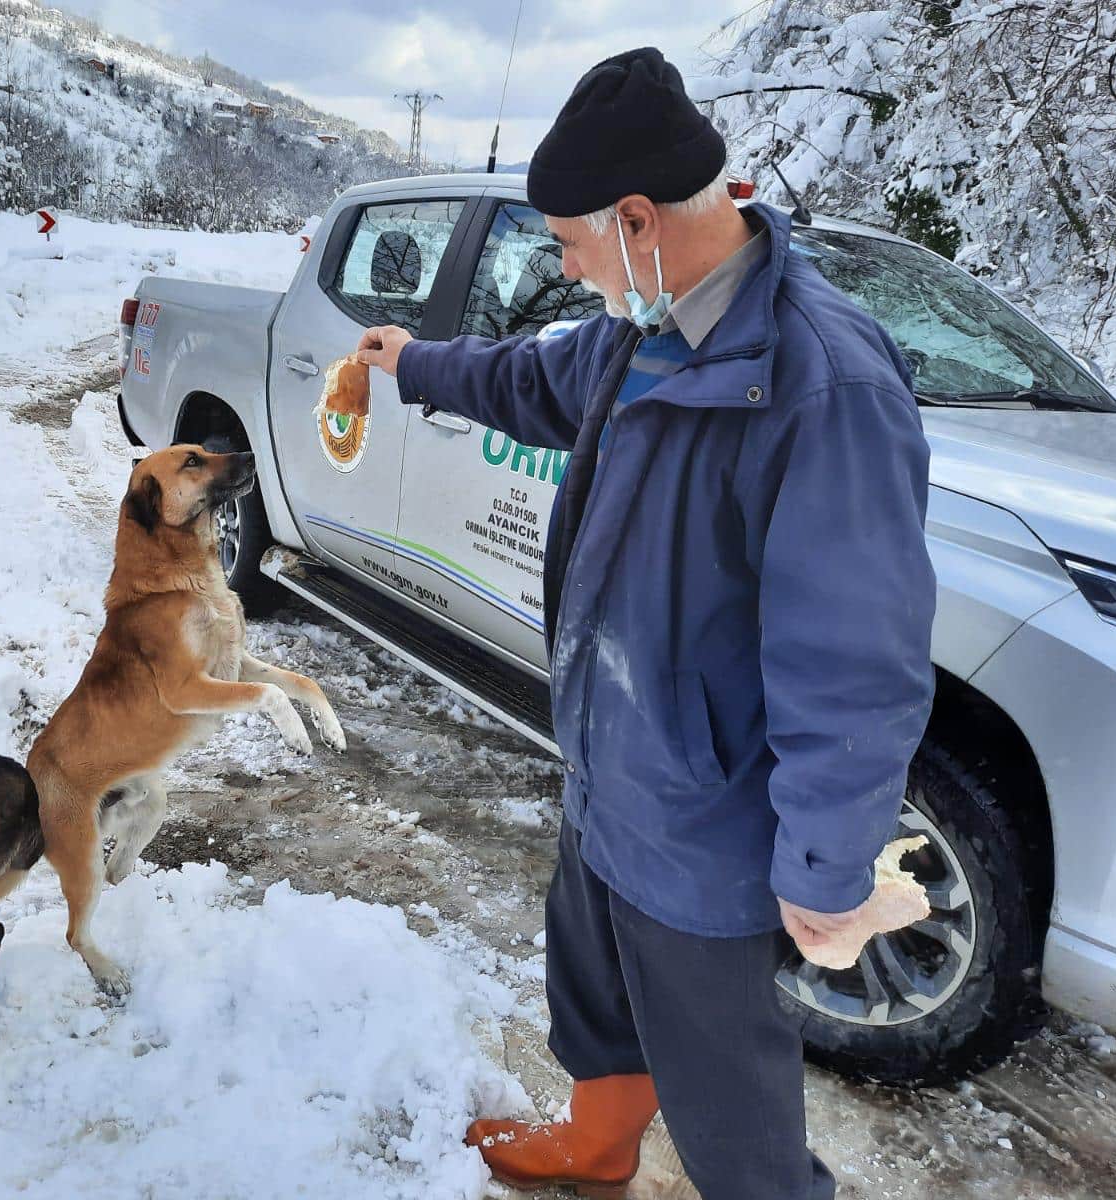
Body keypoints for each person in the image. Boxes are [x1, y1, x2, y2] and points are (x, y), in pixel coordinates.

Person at [355, 47, 936, 1200]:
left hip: (704, 816)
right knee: (594, 984)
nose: (570, 272)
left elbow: (853, 658)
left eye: (570, 245)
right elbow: (538, 379)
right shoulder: (642, 325)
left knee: (728, 1101)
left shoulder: (820, 385)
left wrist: (823, 868)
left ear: (634, 219)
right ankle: (599, 1141)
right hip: (609, 763)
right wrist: (416, 361)